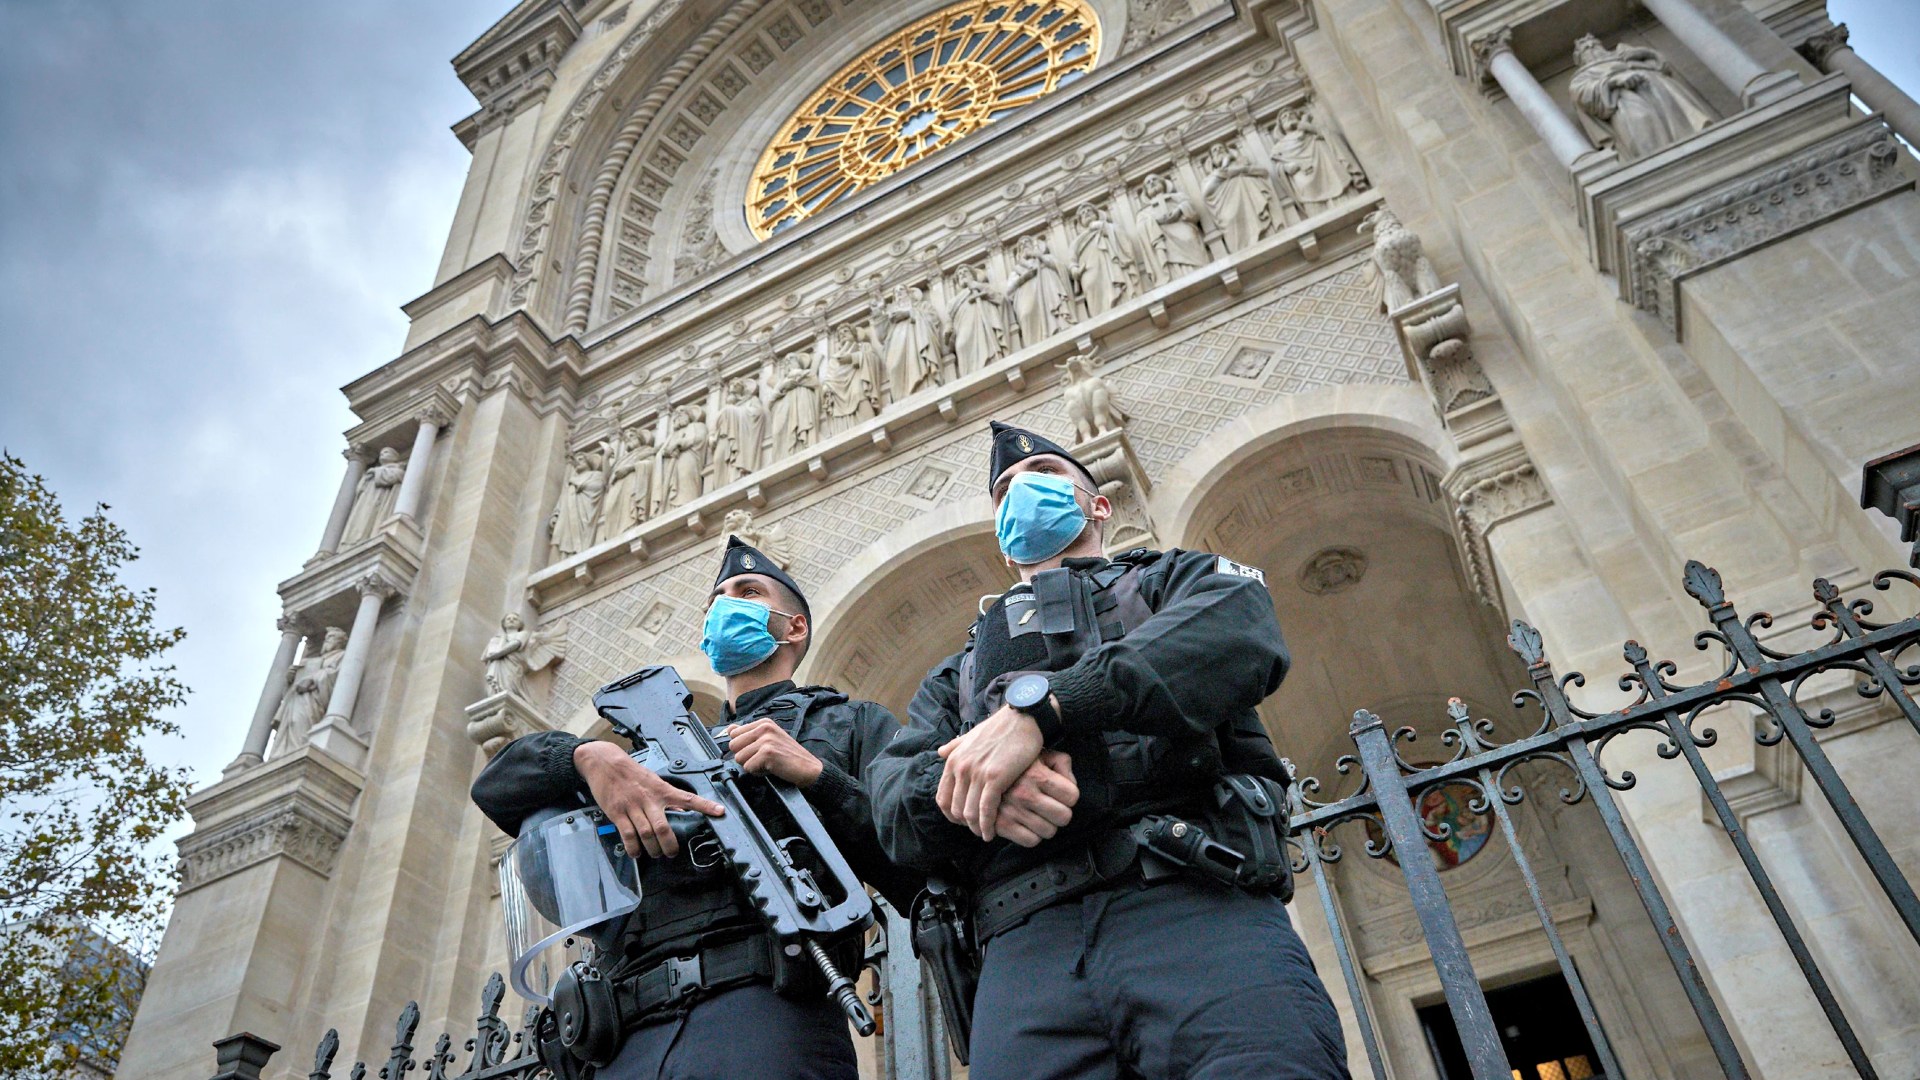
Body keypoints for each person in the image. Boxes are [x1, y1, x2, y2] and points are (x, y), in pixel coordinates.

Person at [867, 421, 1347, 1079]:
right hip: (1024, 955)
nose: (1021, 493)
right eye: (1006, 490)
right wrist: (978, 783)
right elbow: (891, 801)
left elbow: (1239, 631)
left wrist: (1043, 713)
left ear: (1099, 505)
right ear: (1005, 547)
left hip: (1192, 906)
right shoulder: (958, 673)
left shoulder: (1174, 579)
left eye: (1044, 477)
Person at [472, 536, 920, 1079]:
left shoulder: (848, 724)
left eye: (747, 591)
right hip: (626, 1038)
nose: (724, 607)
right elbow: (495, 787)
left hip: (764, 1016)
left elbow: (916, 861)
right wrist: (587, 757)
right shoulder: (652, 754)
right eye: (714, 602)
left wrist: (817, 777)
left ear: (795, 626)